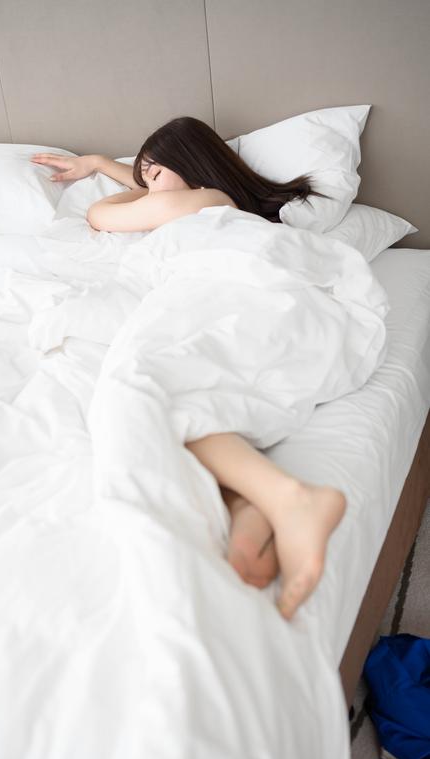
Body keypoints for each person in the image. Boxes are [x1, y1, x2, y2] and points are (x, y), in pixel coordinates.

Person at [30, 117, 346, 621]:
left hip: (218, 288)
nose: (148, 186)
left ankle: (293, 499)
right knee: (184, 397)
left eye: (154, 174)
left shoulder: (203, 200)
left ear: (190, 165)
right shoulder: (210, 201)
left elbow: (99, 214)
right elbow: (146, 193)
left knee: (138, 386)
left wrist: (110, 173)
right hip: (245, 292)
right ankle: (249, 506)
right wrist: (106, 165)